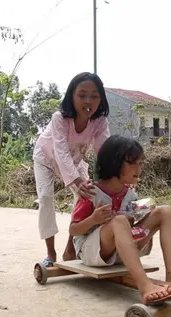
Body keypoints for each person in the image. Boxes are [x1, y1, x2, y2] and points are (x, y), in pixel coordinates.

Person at [69, 135, 171, 305]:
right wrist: (94, 219)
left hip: (122, 252)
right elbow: (74, 230)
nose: (138, 168)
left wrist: (141, 216)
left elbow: (130, 223)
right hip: (92, 252)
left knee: (165, 211)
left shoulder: (130, 194)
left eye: (140, 163)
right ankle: (144, 285)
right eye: (133, 163)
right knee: (119, 221)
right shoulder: (91, 192)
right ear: (115, 162)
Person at [33, 72, 111, 268]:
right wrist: (76, 182)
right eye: (82, 95)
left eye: (94, 96)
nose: (88, 101)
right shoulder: (59, 118)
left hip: (74, 162)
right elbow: (60, 151)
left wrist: (112, 177)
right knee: (45, 198)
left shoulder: (100, 121)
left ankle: (71, 248)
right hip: (46, 158)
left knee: (86, 196)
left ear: (101, 98)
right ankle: (51, 253)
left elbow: (105, 151)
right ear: (72, 96)